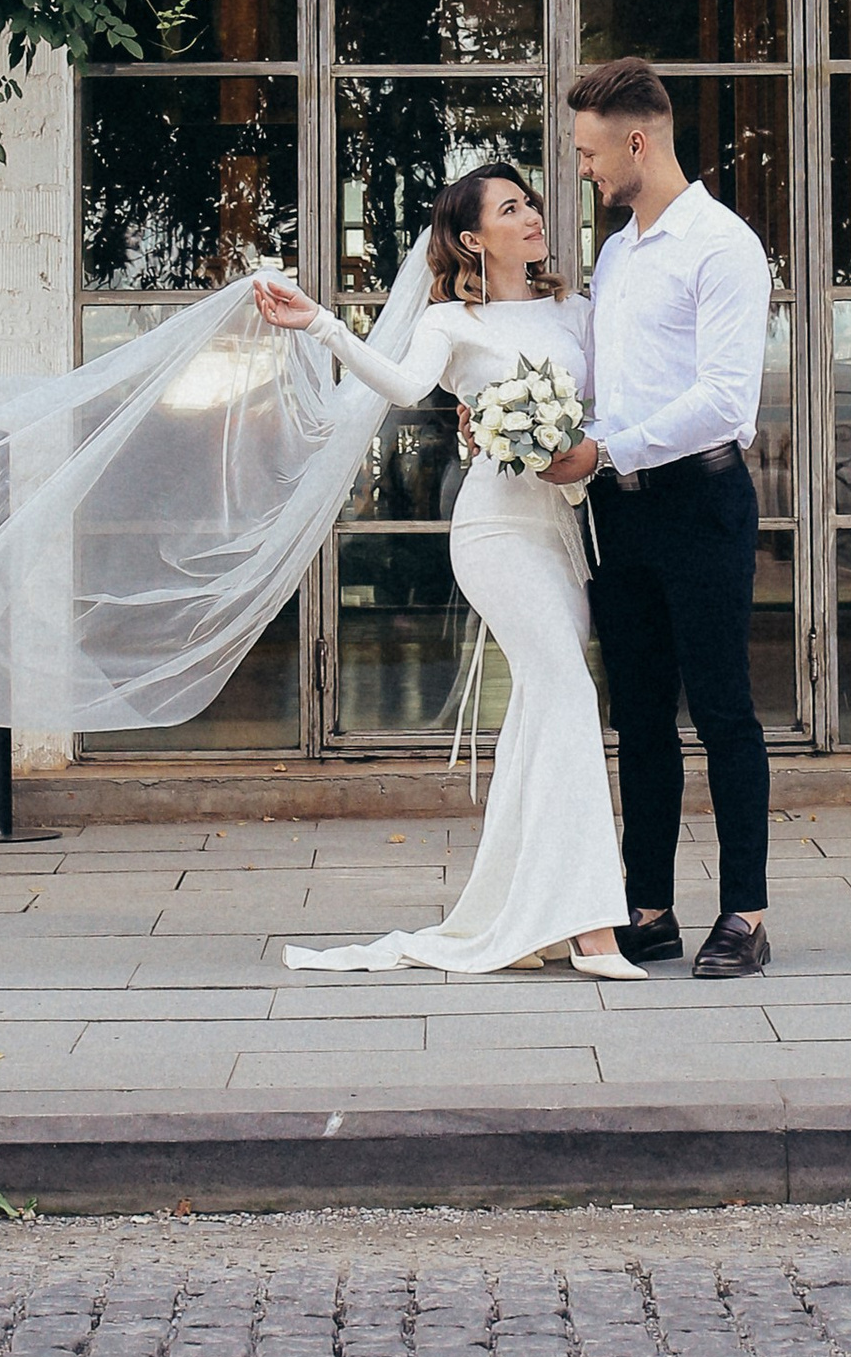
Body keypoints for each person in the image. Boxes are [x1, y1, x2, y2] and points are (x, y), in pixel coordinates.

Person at [252, 166, 641, 978]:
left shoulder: (576, 311)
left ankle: (528, 913)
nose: (532, 216)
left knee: (542, 711)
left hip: (562, 532)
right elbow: (401, 384)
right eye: (511, 208)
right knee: (570, 695)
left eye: (531, 202)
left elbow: (613, 408)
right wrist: (322, 323)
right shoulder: (450, 321)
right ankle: (592, 926)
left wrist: (582, 442)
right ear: (471, 238)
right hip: (495, 530)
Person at [564, 55, 776, 981]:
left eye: (589, 152)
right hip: (620, 513)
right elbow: (610, 385)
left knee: (723, 708)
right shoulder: (617, 252)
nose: (582, 168)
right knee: (641, 716)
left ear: (639, 142)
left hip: (700, 502)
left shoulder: (723, 246)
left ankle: (746, 913)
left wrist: (608, 448)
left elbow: (725, 400)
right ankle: (648, 908)